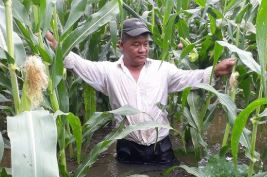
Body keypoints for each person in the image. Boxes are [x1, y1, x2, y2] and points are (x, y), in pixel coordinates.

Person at [46, 18, 235, 166]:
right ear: (121, 45)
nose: (143, 49)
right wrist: (54, 43)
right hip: (128, 147)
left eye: (146, 44)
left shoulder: (163, 69)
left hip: (160, 146)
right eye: (136, 44)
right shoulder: (108, 72)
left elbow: (190, 78)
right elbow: (76, 63)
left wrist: (215, 70)